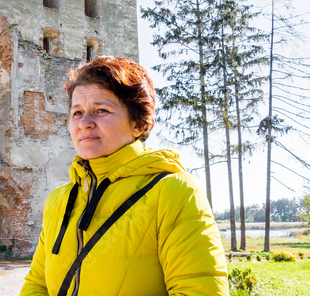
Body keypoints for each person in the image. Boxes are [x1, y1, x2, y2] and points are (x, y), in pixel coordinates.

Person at [20, 56, 228, 296]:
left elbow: (200, 291)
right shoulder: (58, 200)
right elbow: (37, 284)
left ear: (138, 123)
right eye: (77, 113)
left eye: (101, 110)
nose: (85, 123)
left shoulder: (173, 191)